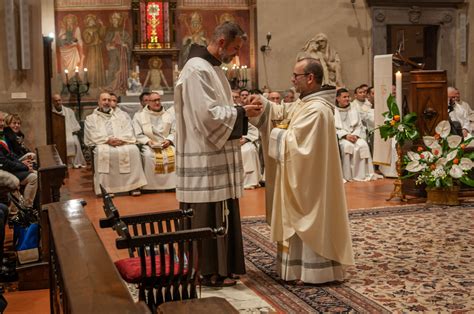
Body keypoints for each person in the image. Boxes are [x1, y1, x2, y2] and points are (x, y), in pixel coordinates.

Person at [248, 58, 354, 284]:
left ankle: (314, 271)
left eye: (296, 76)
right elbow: (283, 113)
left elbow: (298, 146)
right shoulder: (305, 103)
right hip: (302, 178)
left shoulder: (317, 110)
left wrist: (277, 133)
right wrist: (263, 104)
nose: (291, 79)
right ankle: (297, 269)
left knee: (308, 218)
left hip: (310, 184)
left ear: (310, 78)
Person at [174, 21, 259, 287]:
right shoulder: (197, 70)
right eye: (234, 49)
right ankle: (208, 271)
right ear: (221, 42)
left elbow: (218, 108)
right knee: (208, 212)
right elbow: (208, 116)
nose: (235, 55)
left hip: (214, 155)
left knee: (221, 209)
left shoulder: (211, 68)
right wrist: (243, 113)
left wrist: (239, 108)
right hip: (205, 156)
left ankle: (222, 268)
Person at [84, 92, 146, 196]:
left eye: (109, 100)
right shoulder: (91, 119)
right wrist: (107, 140)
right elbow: (91, 134)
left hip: (121, 142)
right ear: (98, 102)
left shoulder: (120, 116)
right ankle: (106, 189)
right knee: (102, 152)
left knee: (134, 150)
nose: (107, 102)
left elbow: (128, 130)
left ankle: (134, 186)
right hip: (102, 143)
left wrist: (121, 140)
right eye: (104, 100)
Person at [133, 92, 176, 191]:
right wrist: (148, 142)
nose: (157, 102)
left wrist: (169, 140)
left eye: (158, 100)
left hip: (166, 143)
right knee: (148, 155)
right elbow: (138, 134)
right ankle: (151, 187)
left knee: (173, 153)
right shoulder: (139, 116)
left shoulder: (168, 114)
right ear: (148, 102)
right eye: (154, 100)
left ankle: (172, 185)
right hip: (150, 144)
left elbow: (174, 130)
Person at [335, 88, 380, 181]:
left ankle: (364, 174)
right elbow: (334, 128)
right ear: (338, 98)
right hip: (342, 138)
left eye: (348, 96)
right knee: (347, 147)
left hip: (355, 135)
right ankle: (348, 176)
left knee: (363, 145)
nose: (347, 99)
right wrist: (346, 136)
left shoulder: (353, 108)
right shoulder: (333, 111)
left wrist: (355, 135)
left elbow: (359, 125)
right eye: (344, 97)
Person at [0, 112, 37, 209]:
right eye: (14, 123)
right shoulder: (7, 136)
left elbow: (11, 155)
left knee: (37, 172)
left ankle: (33, 206)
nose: (2, 124)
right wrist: (24, 166)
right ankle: (26, 208)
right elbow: (5, 162)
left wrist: (24, 164)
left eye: (3, 121)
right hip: (6, 169)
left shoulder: (4, 135)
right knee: (34, 177)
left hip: (12, 164)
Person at [52, 94, 86, 168]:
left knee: (75, 141)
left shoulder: (69, 111)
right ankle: (63, 162)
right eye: (55, 101)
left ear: (61, 101)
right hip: (57, 135)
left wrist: (71, 133)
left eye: (59, 100)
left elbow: (74, 124)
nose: (58, 102)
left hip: (70, 133)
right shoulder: (51, 113)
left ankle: (74, 162)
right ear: (53, 102)